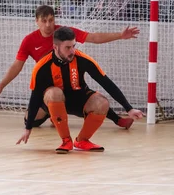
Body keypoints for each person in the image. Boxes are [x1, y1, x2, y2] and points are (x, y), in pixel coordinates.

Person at [0, 5, 140, 129]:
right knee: (30, 121)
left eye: (51, 20)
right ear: (37, 21)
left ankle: (117, 119)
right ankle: (54, 114)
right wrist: (0, 86)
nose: (48, 25)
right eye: (44, 20)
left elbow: (93, 37)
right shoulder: (29, 41)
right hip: (50, 89)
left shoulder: (64, 34)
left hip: (73, 84)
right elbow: (16, 66)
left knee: (97, 101)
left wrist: (120, 35)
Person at [16, 27, 144, 153]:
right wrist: (28, 129)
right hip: (52, 102)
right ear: (55, 47)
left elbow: (107, 83)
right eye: (67, 47)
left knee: (102, 103)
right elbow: (35, 97)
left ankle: (82, 141)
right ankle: (66, 141)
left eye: (73, 46)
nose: (72, 51)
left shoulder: (83, 59)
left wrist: (129, 108)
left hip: (77, 99)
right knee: (54, 93)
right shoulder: (42, 66)